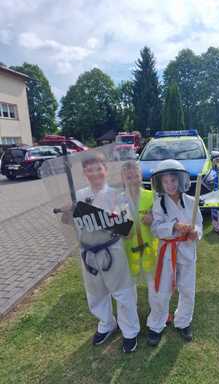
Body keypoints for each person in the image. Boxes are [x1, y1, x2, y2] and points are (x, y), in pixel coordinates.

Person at [62, 151, 140, 353]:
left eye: (98, 168)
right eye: (89, 170)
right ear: (84, 173)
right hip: (88, 252)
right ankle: (106, 323)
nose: (95, 173)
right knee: (96, 293)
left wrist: (107, 218)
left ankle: (130, 331)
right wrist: (68, 212)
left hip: (112, 250)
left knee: (123, 292)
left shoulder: (117, 195)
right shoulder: (77, 195)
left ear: (105, 170)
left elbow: (127, 227)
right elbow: (68, 222)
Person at [146, 160, 203, 346]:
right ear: (160, 184)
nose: (170, 185)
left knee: (187, 289)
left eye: (173, 180)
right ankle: (156, 324)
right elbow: (155, 228)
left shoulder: (191, 202)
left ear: (180, 180)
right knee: (161, 291)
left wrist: (196, 232)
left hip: (187, 251)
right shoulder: (158, 203)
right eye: (165, 182)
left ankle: (183, 321)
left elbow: (199, 225)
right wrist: (175, 226)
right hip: (166, 253)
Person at [120, 160, 157, 278]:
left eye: (137, 176)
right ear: (123, 179)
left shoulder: (151, 196)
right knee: (131, 278)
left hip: (150, 248)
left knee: (153, 278)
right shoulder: (119, 200)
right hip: (130, 249)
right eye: (129, 177)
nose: (134, 180)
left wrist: (152, 218)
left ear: (141, 176)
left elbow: (161, 218)